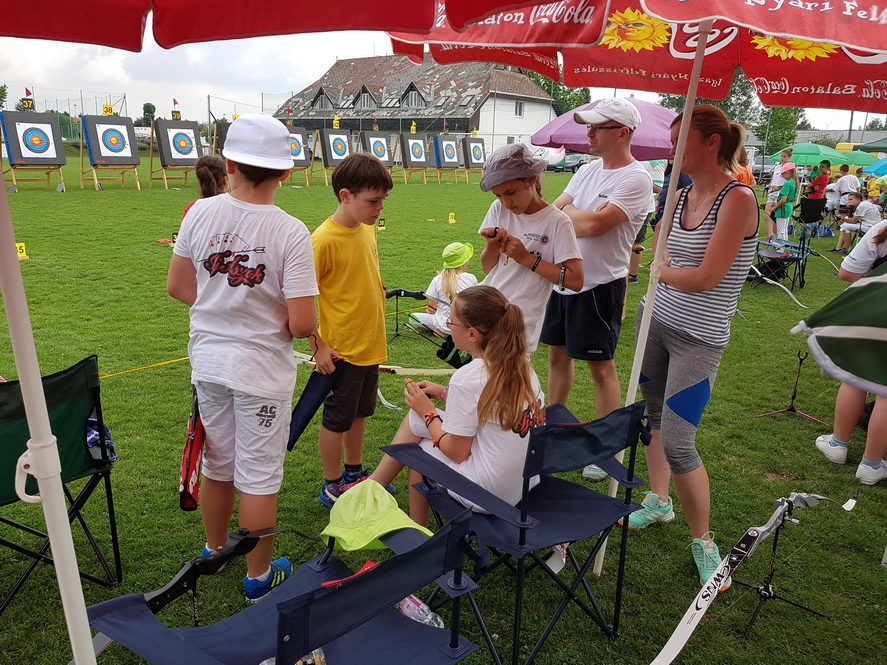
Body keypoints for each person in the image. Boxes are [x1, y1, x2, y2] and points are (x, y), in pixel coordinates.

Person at [167, 114, 318, 602]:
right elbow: (303, 324)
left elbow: (178, 286)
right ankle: (257, 576)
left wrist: (224, 310)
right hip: (259, 371)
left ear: (228, 165)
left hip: (209, 363)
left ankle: (215, 550)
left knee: (219, 464)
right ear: (287, 172)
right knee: (258, 476)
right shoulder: (291, 231)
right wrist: (254, 318)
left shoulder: (198, 212)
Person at [631, 105, 759, 592]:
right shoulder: (680, 192)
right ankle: (658, 501)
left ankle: (704, 542)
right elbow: (659, 248)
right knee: (652, 417)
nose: (671, 150)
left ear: (711, 142)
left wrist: (661, 272)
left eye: (679, 141)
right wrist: (659, 257)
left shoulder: (738, 199)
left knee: (680, 442)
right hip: (654, 322)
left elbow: (708, 277)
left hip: (698, 339)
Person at [335, 285, 545, 525]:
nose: (447, 324)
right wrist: (445, 394)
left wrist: (427, 412)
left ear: (473, 334)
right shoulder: (521, 366)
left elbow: (457, 452)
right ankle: (376, 490)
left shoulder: (468, 378)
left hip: (488, 494)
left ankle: (374, 495)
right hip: (523, 483)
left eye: (452, 321)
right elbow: (490, 405)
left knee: (421, 448)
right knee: (420, 434)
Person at [543, 98, 652, 425]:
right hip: (562, 279)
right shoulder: (586, 170)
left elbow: (594, 226)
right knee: (557, 355)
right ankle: (554, 425)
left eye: (597, 127)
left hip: (600, 284)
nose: (588, 133)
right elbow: (553, 214)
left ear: (622, 132)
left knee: (600, 368)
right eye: (588, 127)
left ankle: (605, 442)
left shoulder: (636, 178)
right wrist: (577, 215)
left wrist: (571, 214)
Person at [310, 153, 394, 508]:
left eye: (383, 200)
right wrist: (319, 346)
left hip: (370, 344)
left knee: (360, 413)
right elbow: (299, 298)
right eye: (373, 201)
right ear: (346, 196)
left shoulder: (367, 226)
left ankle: (354, 472)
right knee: (336, 420)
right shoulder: (322, 240)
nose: (380, 208)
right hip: (342, 351)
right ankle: (332, 485)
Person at [476, 143, 583, 353]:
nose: (506, 202)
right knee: (480, 372)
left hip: (520, 323)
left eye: (510, 192)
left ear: (531, 180)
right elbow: (488, 268)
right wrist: (492, 246)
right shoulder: (498, 209)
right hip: (487, 312)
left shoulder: (557, 221)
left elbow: (576, 281)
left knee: (505, 375)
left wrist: (526, 258)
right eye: (498, 195)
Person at [814, 219, 887, 485]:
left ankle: (838, 443)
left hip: (871, 312)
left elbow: (847, 273)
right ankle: (871, 463)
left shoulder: (882, 228)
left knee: (857, 375)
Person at [409, 242, 478, 336]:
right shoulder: (471, 278)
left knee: (413, 317)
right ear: (463, 262)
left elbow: (431, 309)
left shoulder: (437, 279)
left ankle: (442, 331)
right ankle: (450, 331)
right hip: (465, 325)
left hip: (442, 324)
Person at [764, 148, 793, 235]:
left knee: (777, 218)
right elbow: (775, 179)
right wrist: (770, 185)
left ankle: (775, 237)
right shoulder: (777, 167)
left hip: (780, 195)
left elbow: (789, 183)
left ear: (789, 157)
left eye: (784, 156)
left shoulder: (790, 169)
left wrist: (779, 187)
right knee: (766, 216)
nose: (782, 158)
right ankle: (770, 236)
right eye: (782, 156)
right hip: (772, 193)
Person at [773, 162, 798, 240]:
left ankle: (780, 246)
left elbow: (783, 200)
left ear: (788, 172)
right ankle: (784, 244)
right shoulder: (794, 182)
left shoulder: (787, 184)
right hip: (788, 206)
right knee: (784, 229)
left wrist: (774, 208)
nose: (782, 176)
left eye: (783, 173)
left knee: (780, 231)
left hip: (783, 208)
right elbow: (794, 198)